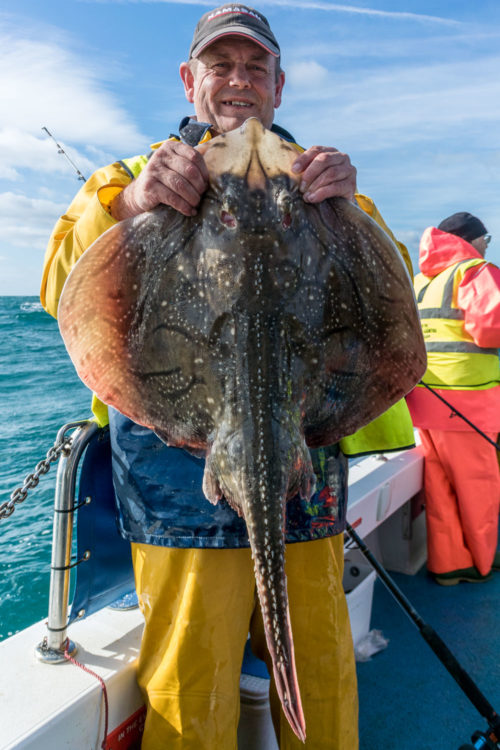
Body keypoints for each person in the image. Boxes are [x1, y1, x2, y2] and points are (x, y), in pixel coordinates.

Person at [40, 5, 416, 748]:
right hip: (175, 474)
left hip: (299, 460)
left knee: (319, 665)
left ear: (280, 85)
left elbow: (391, 296)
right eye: (221, 65)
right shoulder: (126, 179)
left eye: (255, 67)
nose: (238, 81)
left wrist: (349, 206)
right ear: (191, 80)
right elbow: (62, 286)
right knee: (192, 678)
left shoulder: (322, 182)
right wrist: (135, 202)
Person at [407, 211, 500, 586]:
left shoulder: (419, 281)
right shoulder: (475, 272)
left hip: (422, 404)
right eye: (485, 239)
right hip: (467, 405)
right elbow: (491, 327)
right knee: (478, 486)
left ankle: (449, 564)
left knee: (439, 488)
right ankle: (481, 562)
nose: (487, 245)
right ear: (469, 240)